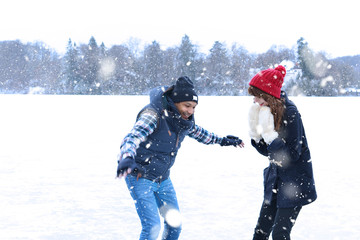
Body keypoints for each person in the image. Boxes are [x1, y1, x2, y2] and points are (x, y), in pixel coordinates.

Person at [116, 76, 244, 240]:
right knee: (152, 228)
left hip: (163, 178)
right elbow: (132, 138)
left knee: (174, 225)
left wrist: (222, 140)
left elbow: (200, 133)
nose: (191, 111)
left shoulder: (182, 121)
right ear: (174, 102)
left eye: (194, 107)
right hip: (140, 176)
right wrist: (127, 157)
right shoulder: (153, 115)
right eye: (187, 105)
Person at [247, 65, 317, 240]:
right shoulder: (267, 111)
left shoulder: (291, 113)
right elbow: (270, 153)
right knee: (260, 232)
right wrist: (257, 136)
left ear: (267, 94)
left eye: (256, 95)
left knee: (280, 234)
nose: (254, 100)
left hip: (294, 183)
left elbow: (292, 155)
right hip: (276, 181)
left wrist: (270, 138)